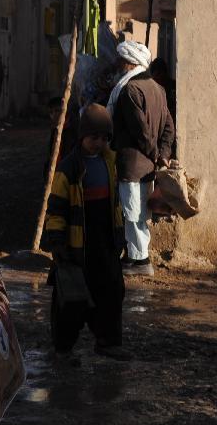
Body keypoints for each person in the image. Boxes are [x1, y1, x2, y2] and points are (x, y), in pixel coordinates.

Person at [44, 104, 127, 362]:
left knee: (112, 292)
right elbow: (56, 207)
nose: (99, 143)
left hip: (104, 243)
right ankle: (63, 349)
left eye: (104, 138)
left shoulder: (109, 162)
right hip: (77, 246)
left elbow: (115, 205)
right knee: (71, 300)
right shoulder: (69, 168)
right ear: (82, 137)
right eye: (94, 138)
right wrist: (57, 242)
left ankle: (107, 341)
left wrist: (119, 236)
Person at [106, 41, 175, 276]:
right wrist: (163, 155)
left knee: (132, 213)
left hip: (132, 163)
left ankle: (140, 261)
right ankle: (134, 257)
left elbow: (140, 131)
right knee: (139, 213)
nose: (117, 65)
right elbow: (168, 128)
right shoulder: (158, 89)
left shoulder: (129, 90)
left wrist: (157, 155)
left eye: (120, 60)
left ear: (128, 62)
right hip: (148, 165)